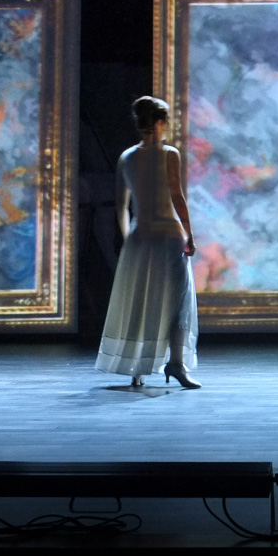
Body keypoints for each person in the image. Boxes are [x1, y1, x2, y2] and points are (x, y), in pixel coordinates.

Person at [96, 96, 201, 389]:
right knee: (176, 302)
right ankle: (175, 363)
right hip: (168, 237)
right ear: (160, 123)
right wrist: (189, 234)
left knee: (141, 302)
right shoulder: (169, 154)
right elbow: (177, 197)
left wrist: (128, 239)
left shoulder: (126, 157)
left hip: (140, 239)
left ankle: (138, 368)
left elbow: (121, 206)